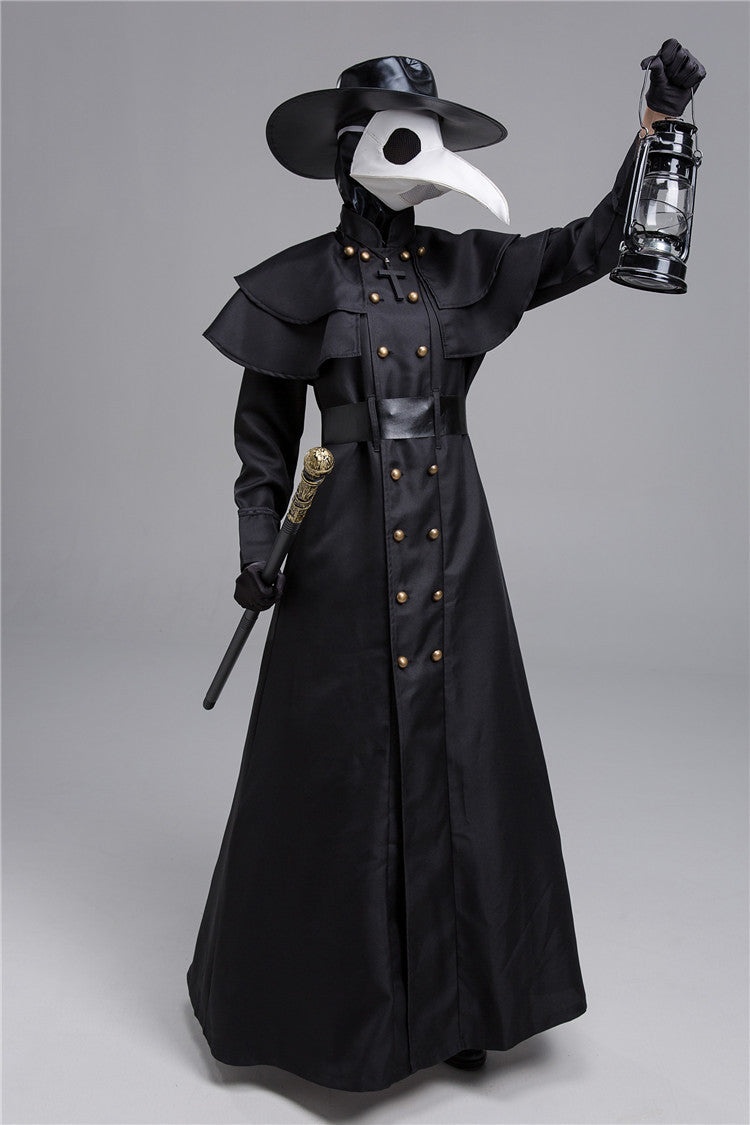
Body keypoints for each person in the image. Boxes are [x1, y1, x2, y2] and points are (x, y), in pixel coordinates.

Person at [187, 43, 706, 1093]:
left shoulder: (466, 266)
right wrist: (255, 547)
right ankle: (341, 1022)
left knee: (466, 759)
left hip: (455, 543)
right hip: (340, 549)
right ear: (352, 151)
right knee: (342, 770)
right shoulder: (297, 283)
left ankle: (463, 1004)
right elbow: (264, 443)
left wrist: (657, 125)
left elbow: (596, 242)